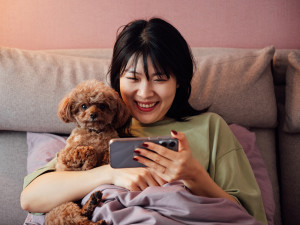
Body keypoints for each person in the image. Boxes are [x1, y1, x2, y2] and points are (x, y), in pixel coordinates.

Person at [21, 18, 267, 224]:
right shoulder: (102, 129)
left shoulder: (211, 127)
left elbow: (248, 215)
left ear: (178, 80)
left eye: (159, 78)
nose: (145, 92)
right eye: (133, 78)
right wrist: (110, 174)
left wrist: (195, 175)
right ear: (118, 80)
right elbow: (31, 198)